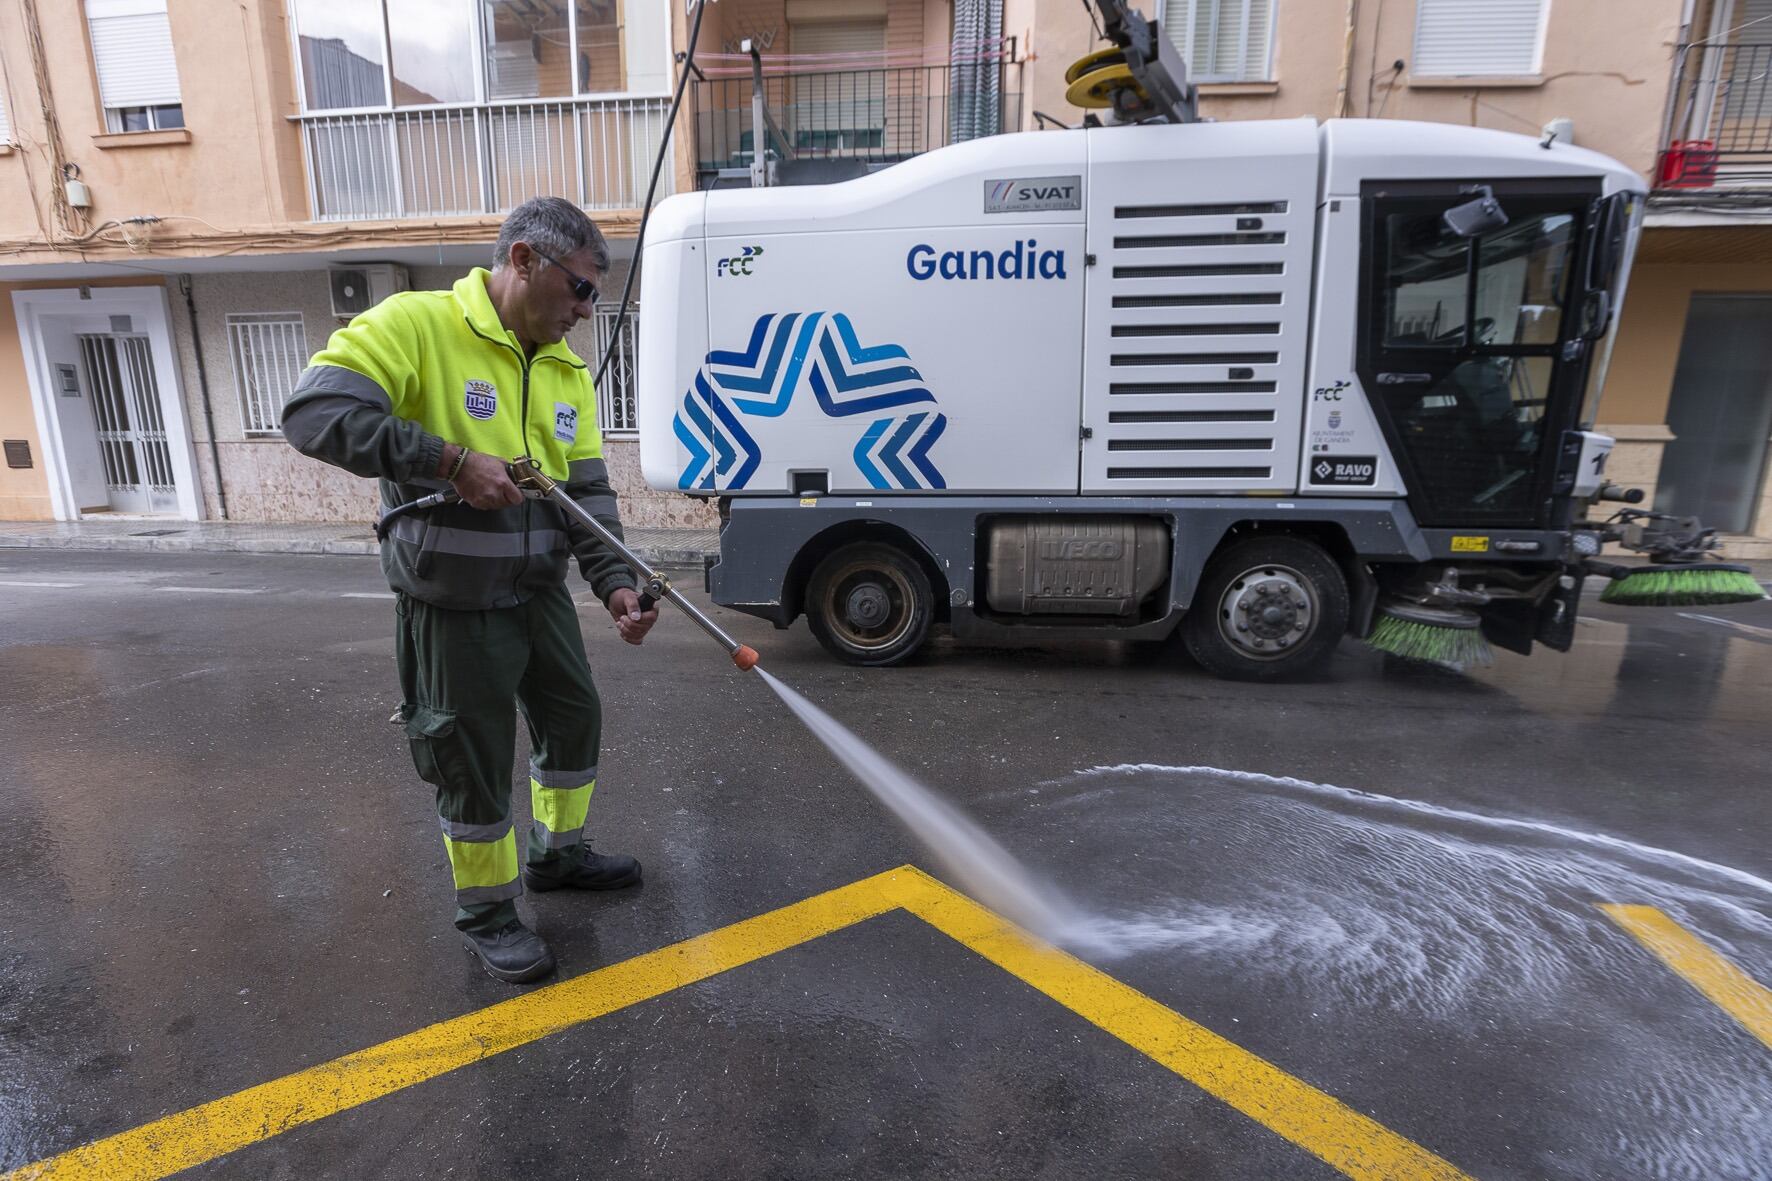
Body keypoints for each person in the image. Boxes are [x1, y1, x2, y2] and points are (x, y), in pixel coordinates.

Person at [282, 196, 657, 985]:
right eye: (581, 289)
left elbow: (585, 494)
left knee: (572, 715)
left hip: (537, 590)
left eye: (597, 295)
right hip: (451, 600)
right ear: (524, 260)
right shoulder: (416, 324)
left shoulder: (564, 370)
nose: (587, 312)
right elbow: (314, 413)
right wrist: (448, 459)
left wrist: (616, 583)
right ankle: (488, 913)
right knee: (473, 757)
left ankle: (559, 856)